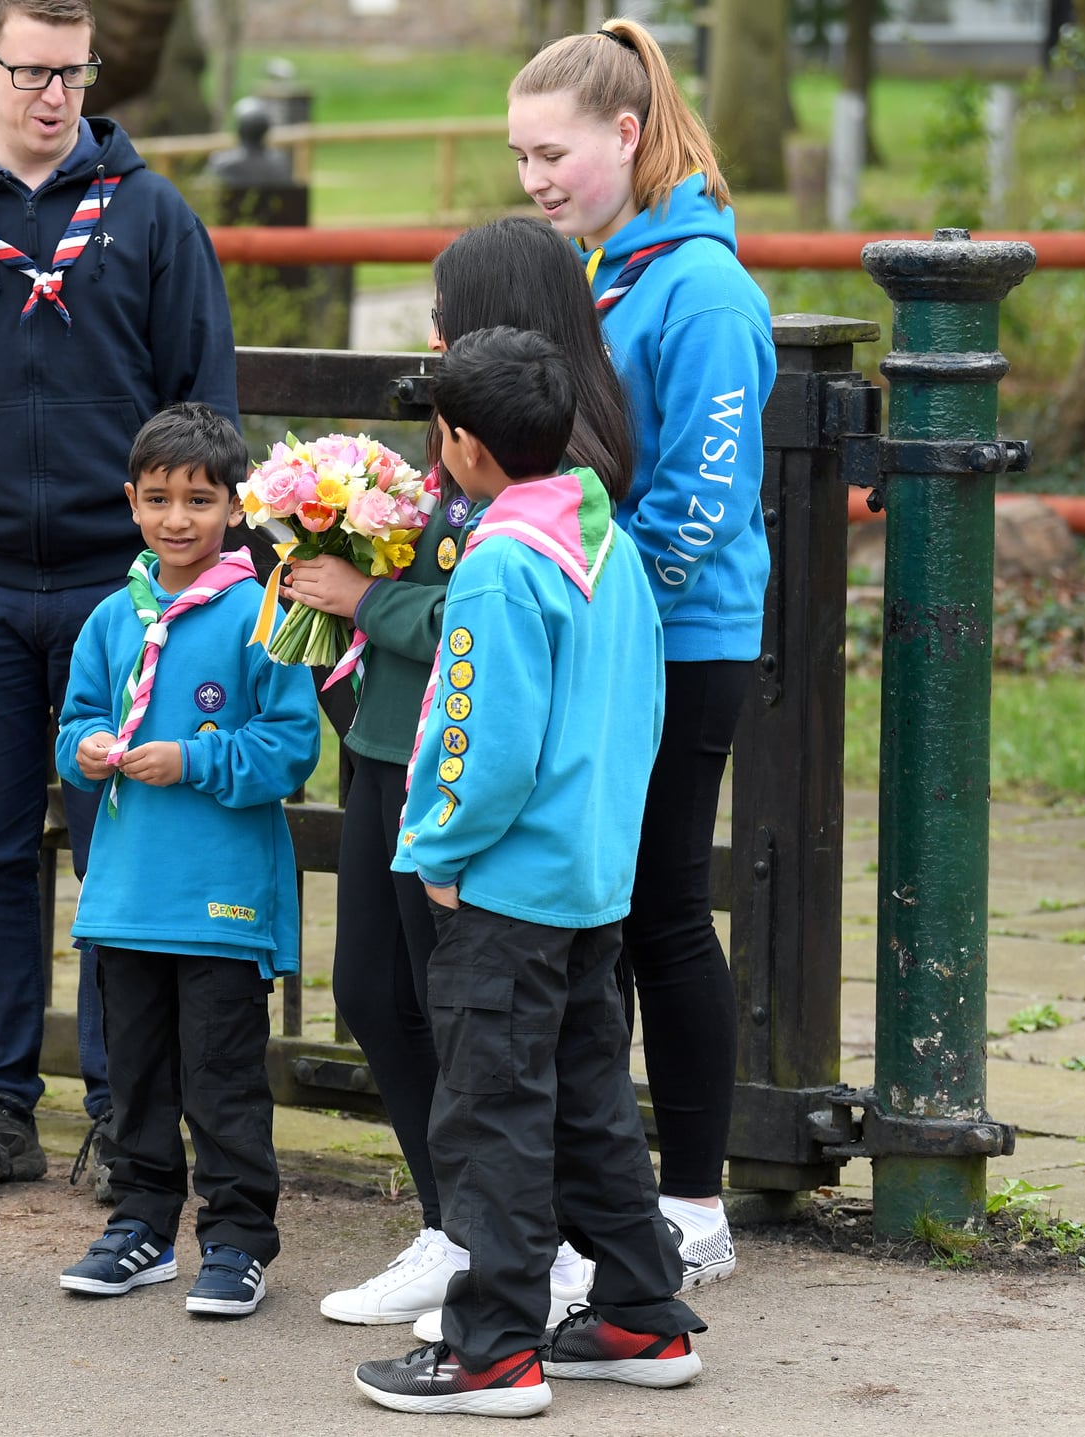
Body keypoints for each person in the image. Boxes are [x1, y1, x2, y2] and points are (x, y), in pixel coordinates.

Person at [0, 0, 238, 1205]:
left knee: (117, 851)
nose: (53, 95)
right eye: (28, 71)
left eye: (72, 73)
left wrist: (188, 586)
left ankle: (123, 1107)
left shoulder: (152, 218)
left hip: (116, 593)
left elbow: (203, 409)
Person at [353, 327, 702, 1418]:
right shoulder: (608, 543)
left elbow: (478, 738)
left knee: (489, 1114)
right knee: (588, 1100)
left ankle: (491, 1348)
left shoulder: (500, 565)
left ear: (459, 445)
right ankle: (639, 1314)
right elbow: (644, 709)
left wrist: (439, 851)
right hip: (591, 875)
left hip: (505, 885)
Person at [296, 215, 632, 1330]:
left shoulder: (551, 481)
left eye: (445, 313)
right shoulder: (459, 457)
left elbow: (497, 637)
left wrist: (367, 602)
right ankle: (458, 1233)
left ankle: (517, 1272)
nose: (429, 331)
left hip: (468, 802)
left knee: (489, 1040)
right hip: (391, 746)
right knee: (376, 994)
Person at [508, 16, 777, 1284]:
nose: (535, 180)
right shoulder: (601, 269)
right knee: (597, 915)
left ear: (624, 133)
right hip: (603, 628)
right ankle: (599, 1195)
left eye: (552, 153)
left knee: (661, 910)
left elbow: (701, 495)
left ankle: (692, 1210)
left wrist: (601, 613)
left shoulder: (704, 289)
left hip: (676, 640)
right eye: (518, 160)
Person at [52, 404, 319, 1318]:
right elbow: (76, 721)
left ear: (234, 504)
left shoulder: (264, 614)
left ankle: (240, 1238)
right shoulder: (110, 618)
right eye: (158, 498)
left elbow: (291, 748)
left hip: (221, 901)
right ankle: (141, 1224)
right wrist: (86, 749)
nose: (177, 518)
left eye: (198, 500)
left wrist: (197, 759)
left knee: (221, 1079)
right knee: (137, 1078)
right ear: (131, 502)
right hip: (126, 897)